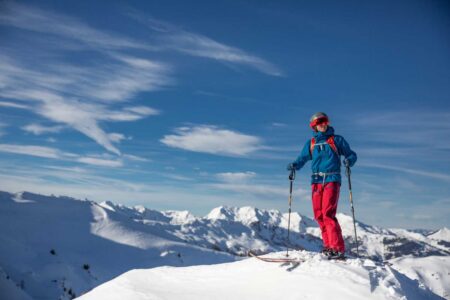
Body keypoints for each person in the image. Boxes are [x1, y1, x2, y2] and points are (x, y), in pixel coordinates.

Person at [287, 112, 357, 260]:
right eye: (319, 123)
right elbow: (302, 158)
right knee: (319, 215)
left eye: (325, 121)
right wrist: (295, 165)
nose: (323, 124)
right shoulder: (311, 143)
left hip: (332, 179)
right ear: (314, 126)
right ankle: (328, 246)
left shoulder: (336, 140)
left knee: (328, 214)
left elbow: (351, 154)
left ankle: (337, 248)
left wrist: (349, 161)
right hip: (316, 181)